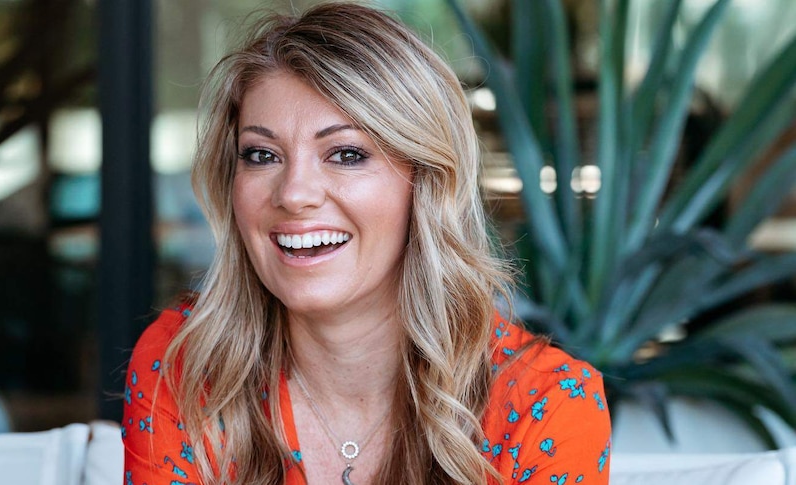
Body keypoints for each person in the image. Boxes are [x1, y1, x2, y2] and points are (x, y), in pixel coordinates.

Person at [121, 3, 611, 484]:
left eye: (347, 154)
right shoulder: (185, 365)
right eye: (262, 154)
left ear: (425, 183)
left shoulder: (546, 405)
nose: (293, 194)